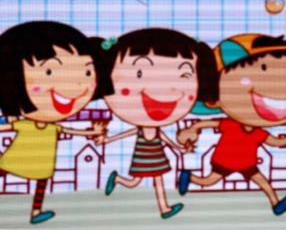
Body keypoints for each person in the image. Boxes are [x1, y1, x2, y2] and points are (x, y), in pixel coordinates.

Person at [176, 34, 286, 216]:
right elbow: (209, 123)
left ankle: (276, 203)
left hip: (247, 163)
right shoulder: (230, 125)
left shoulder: (258, 132)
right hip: (224, 161)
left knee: (263, 182)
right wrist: (193, 128)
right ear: (215, 98)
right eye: (264, 69)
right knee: (208, 181)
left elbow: (276, 142)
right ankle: (189, 177)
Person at [98, 28, 218, 220]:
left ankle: (164, 208)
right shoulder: (142, 128)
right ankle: (120, 180)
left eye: (184, 75)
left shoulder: (155, 129)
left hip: (156, 158)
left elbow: (165, 140)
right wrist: (108, 139)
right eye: (139, 72)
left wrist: (180, 148)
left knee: (155, 181)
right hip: (144, 158)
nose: (166, 90)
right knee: (136, 182)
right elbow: (128, 134)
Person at [0, 21, 110, 225]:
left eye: (87, 73)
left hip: (42, 163)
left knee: (41, 184)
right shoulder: (26, 124)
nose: (78, 85)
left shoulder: (52, 127)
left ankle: (36, 212)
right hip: (16, 159)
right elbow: (5, 127)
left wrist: (92, 132)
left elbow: (71, 130)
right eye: (49, 72)